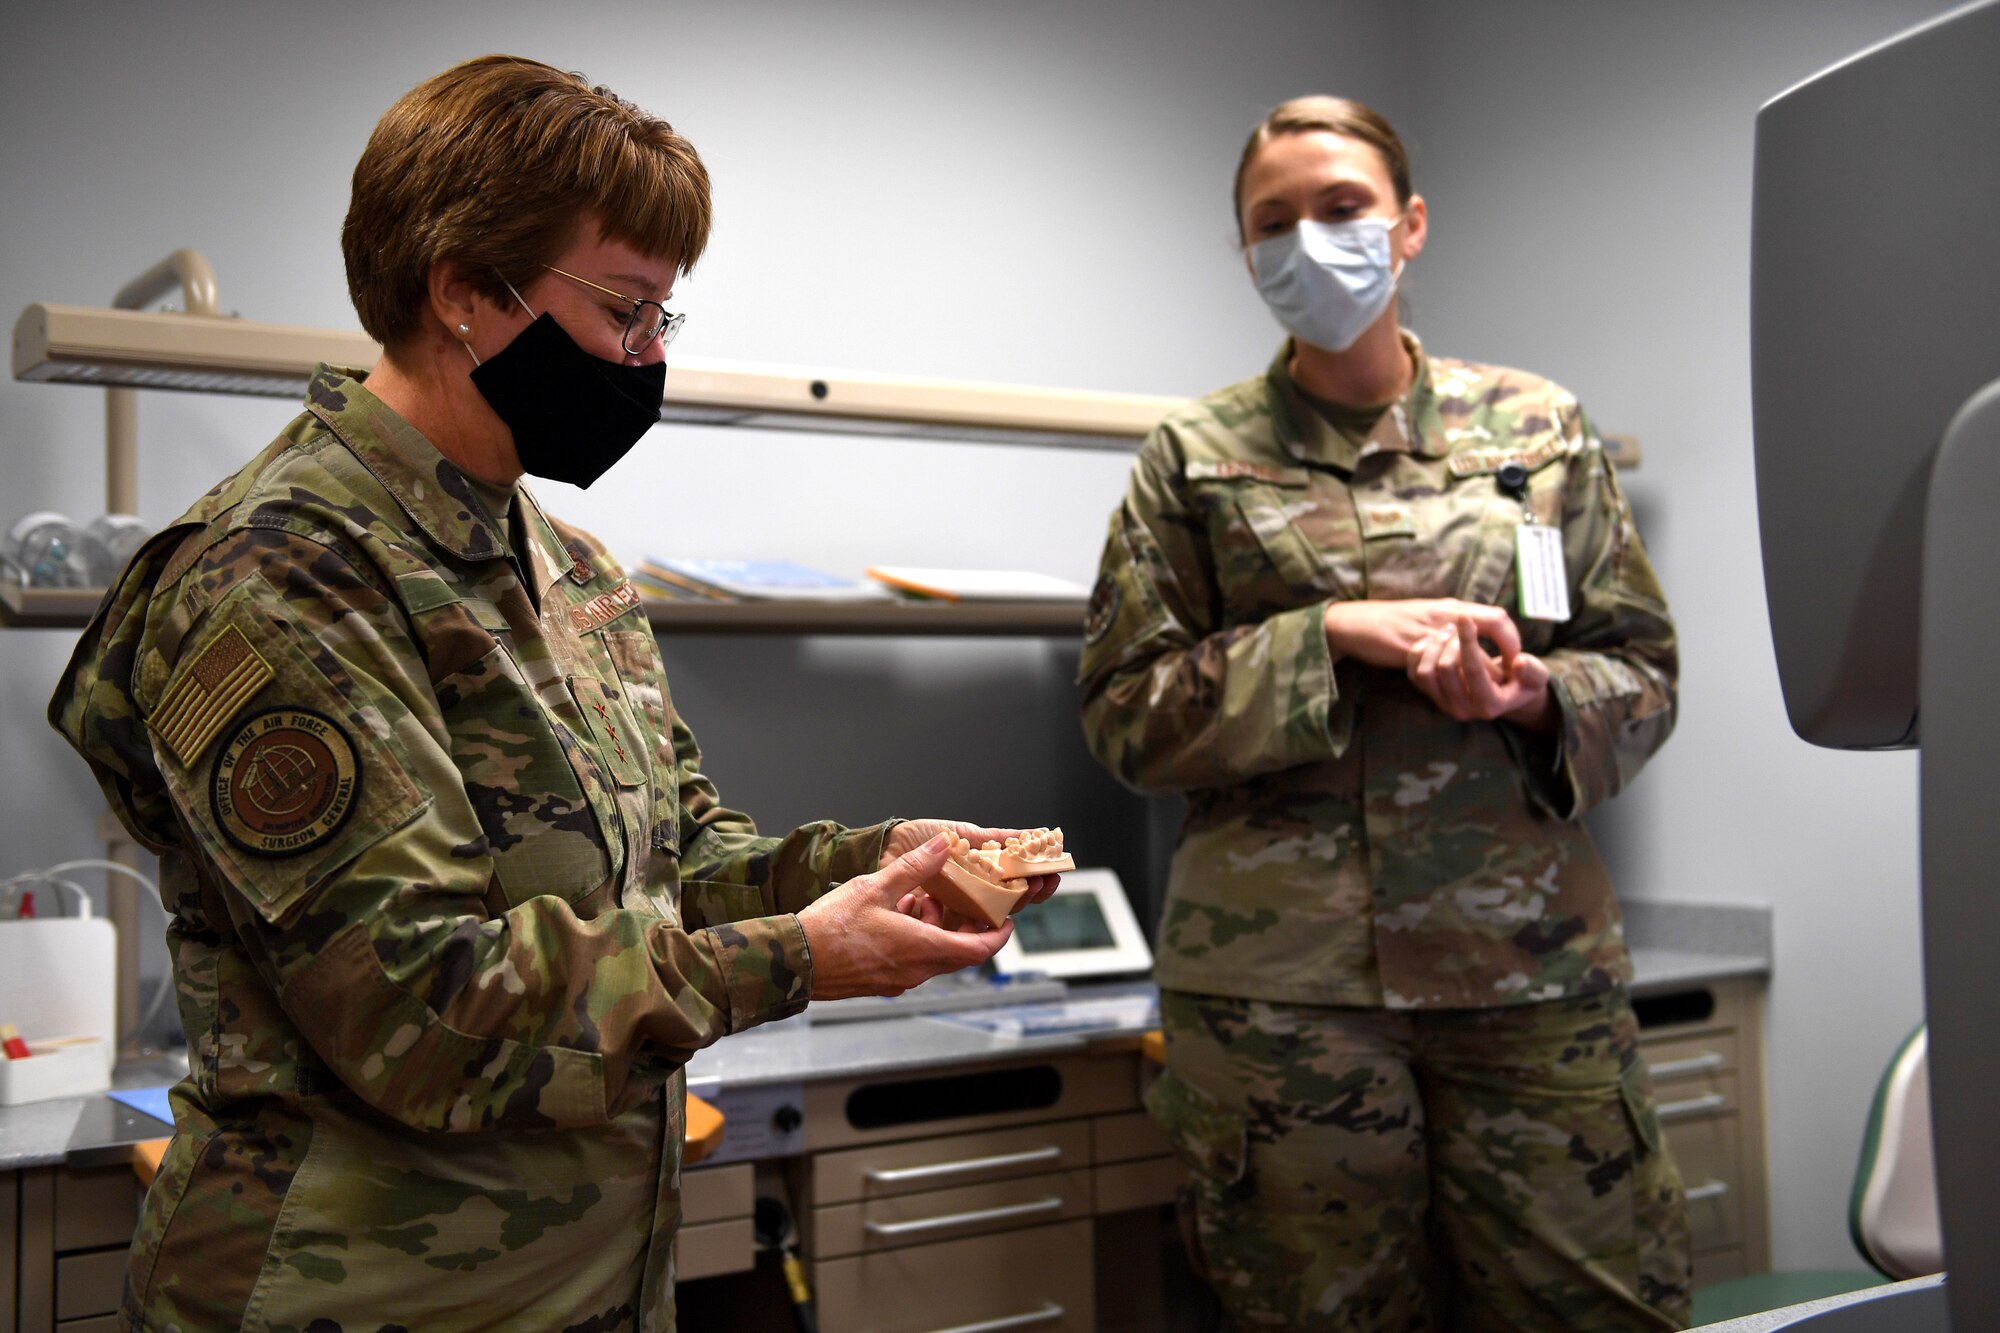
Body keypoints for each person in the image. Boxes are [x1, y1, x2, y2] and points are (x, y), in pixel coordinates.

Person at [49, 55, 1052, 1333]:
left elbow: (671, 863)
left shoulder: (563, 566)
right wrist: (804, 956)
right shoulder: (283, 571)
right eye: (622, 310)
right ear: (464, 290)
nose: (644, 357)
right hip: (360, 1292)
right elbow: (420, 1002)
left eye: (661, 321)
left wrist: (875, 867)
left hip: (580, 1284)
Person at [1077, 95, 1688, 1331]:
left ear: (1407, 226)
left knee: (1592, 1303)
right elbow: (1124, 714)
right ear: (1243, 252)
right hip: (1280, 996)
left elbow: (1641, 674)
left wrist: (1532, 696)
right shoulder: (1192, 456)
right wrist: (1326, 640)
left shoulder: (1537, 430)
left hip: (1523, 971)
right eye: (1273, 221)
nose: (1309, 241)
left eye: (1342, 208)